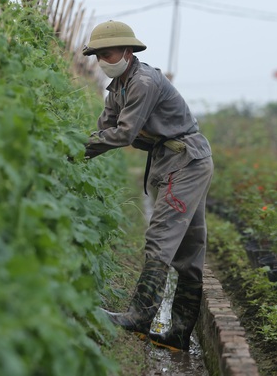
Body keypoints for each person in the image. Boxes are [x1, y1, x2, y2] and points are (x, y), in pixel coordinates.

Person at [81, 20, 214, 352]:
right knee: (187, 250)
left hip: (185, 160)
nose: (103, 60)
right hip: (178, 160)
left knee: (162, 238)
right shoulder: (117, 88)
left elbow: (123, 133)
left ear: (127, 51)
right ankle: (178, 334)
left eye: (107, 53)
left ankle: (140, 316)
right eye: (98, 55)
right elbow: (105, 128)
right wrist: (82, 148)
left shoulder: (143, 82)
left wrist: (75, 149)